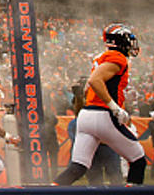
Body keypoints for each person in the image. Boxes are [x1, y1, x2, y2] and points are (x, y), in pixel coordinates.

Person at [54, 23, 147, 185]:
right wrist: (115, 107)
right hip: (103, 115)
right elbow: (95, 81)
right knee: (138, 160)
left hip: (87, 115)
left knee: (77, 167)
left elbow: (87, 89)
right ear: (121, 41)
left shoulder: (101, 58)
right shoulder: (117, 57)